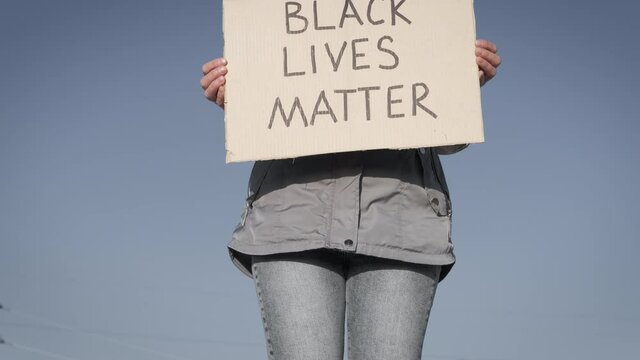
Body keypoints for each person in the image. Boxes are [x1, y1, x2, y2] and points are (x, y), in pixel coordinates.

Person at [201, 37, 500, 360]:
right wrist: (243, 95)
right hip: (292, 220)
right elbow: (264, 117)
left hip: (399, 222)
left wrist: (457, 89)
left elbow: (449, 141)